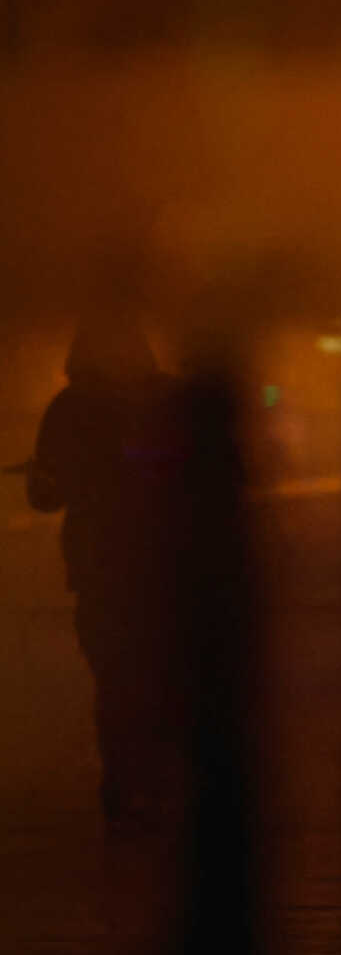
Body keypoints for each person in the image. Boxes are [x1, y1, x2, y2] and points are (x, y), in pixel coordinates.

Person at [26, 314, 179, 824]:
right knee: (158, 673)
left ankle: (126, 785)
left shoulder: (69, 409)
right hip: (161, 565)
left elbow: (45, 494)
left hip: (103, 564)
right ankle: (151, 782)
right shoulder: (167, 399)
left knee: (116, 679)